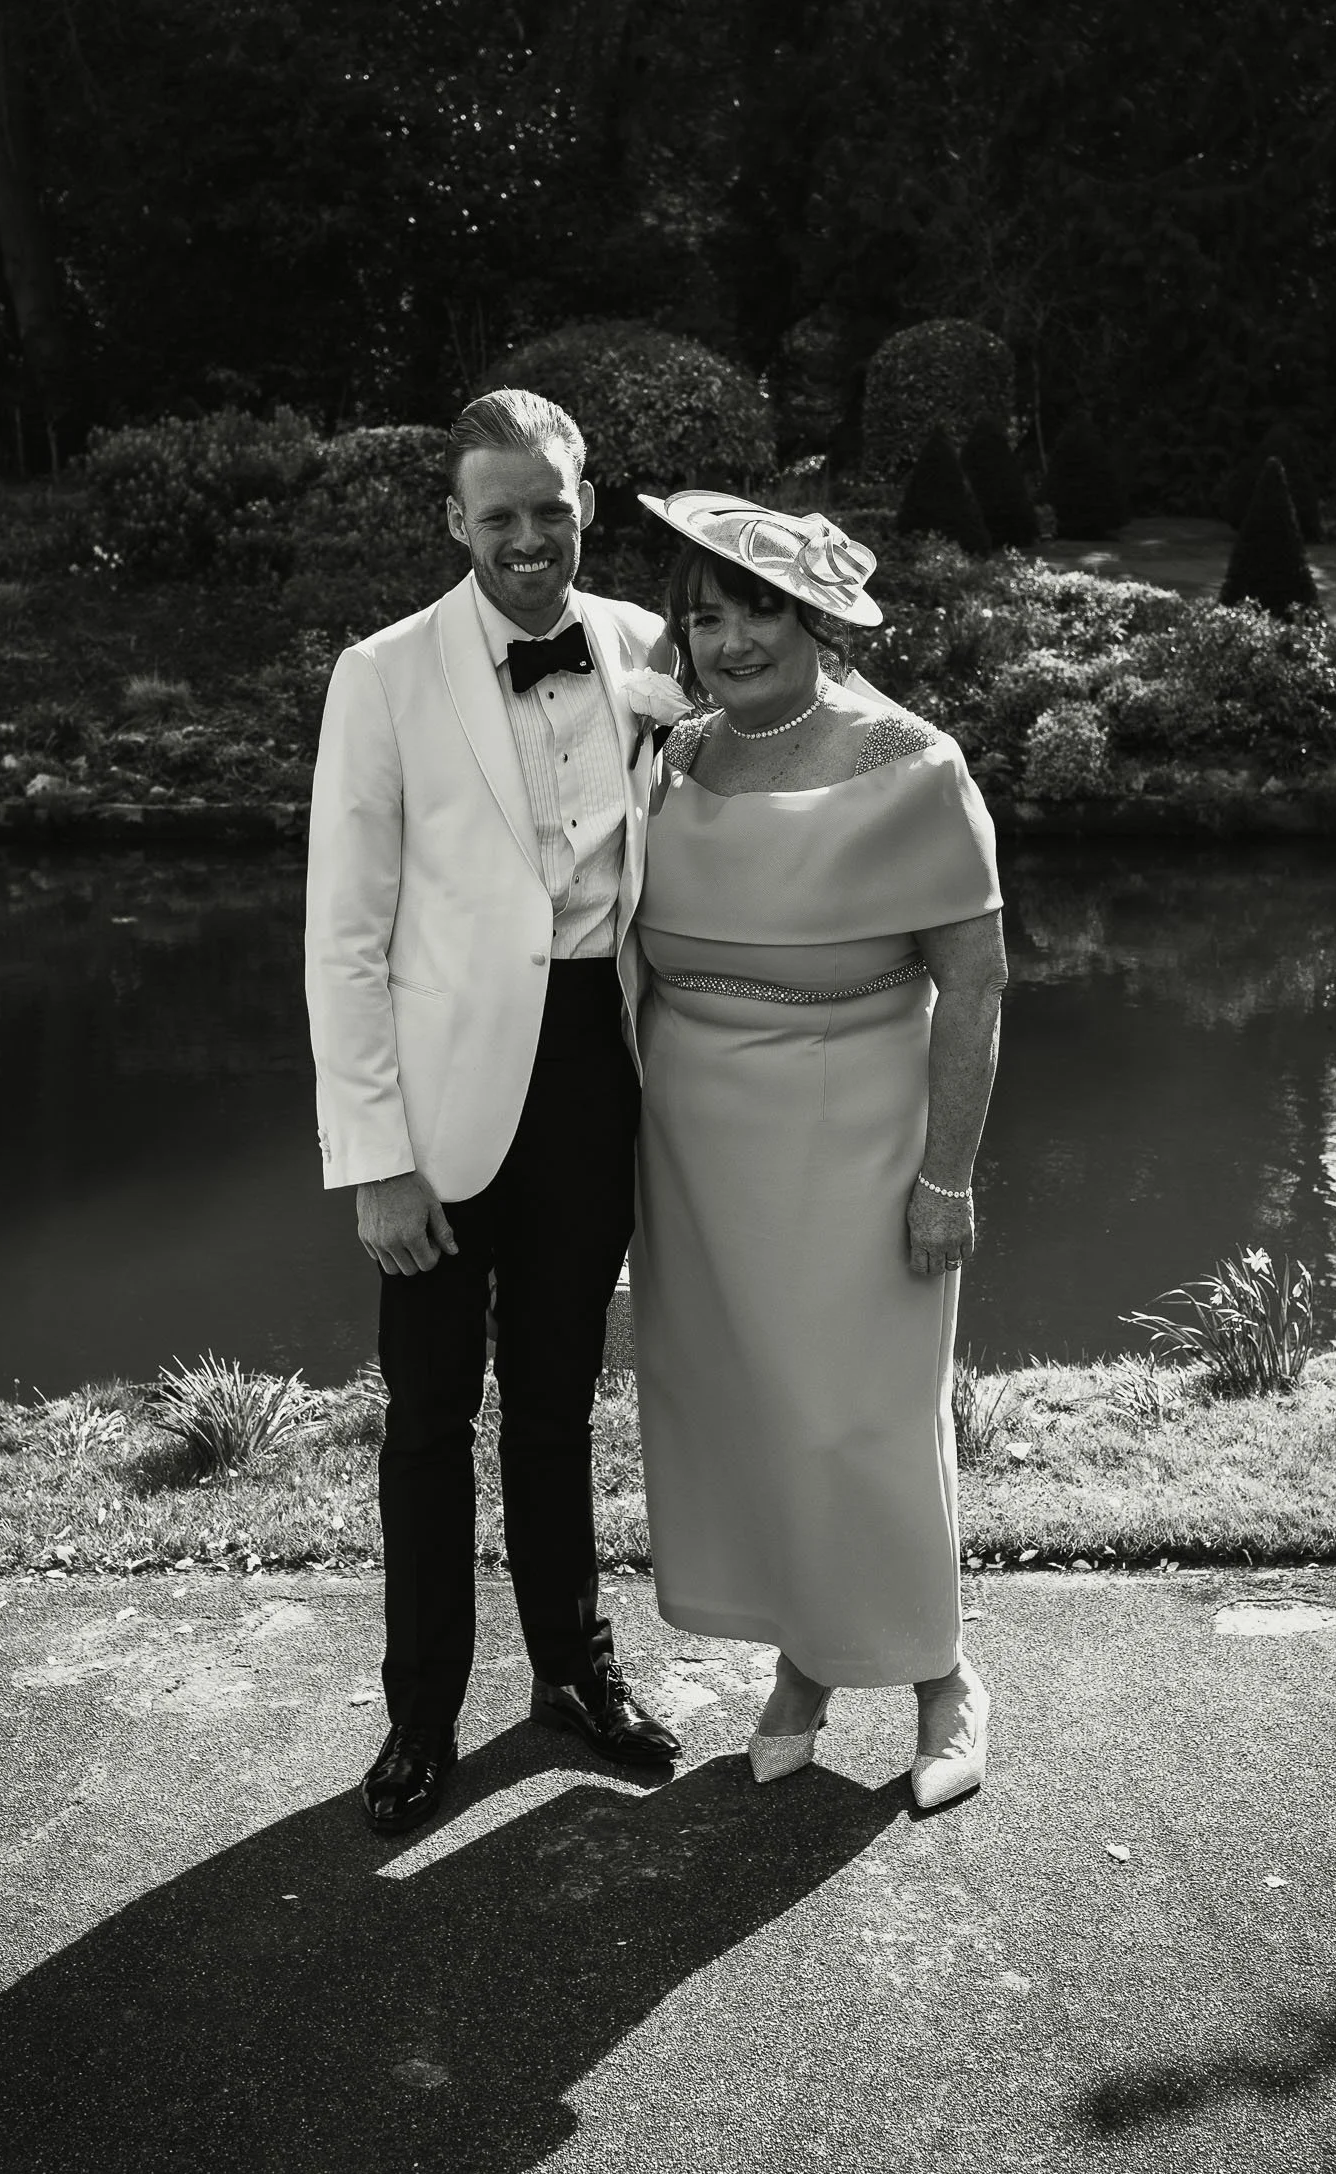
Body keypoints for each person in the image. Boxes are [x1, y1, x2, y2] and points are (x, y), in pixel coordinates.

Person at [305, 388, 682, 1836]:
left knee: (557, 1403)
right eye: (499, 514)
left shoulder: (654, 649)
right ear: (456, 522)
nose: (530, 538)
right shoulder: (384, 675)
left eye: (553, 508)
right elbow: (345, 937)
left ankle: (573, 1678)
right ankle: (419, 1716)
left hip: (600, 1067)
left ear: (587, 500)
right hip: (443, 1097)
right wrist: (378, 1161)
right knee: (428, 1418)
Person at [628, 490, 1007, 1810]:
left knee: (867, 1416)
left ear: (820, 621)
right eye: (705, 614)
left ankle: (941, 1678)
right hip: (695, 1141)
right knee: (757, 1409)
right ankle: (803, 1660)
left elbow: (978, 983)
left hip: (860, 1129)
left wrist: (947, 1178)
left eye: (758, 613)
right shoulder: (670, 757)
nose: (728, 641)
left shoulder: (915, 763)